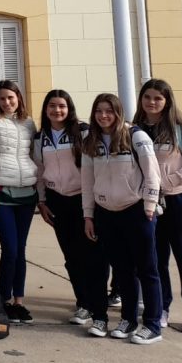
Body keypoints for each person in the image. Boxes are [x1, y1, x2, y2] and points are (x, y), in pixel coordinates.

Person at [82, 93, 163, 345]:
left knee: (147, 270)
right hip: (106, 213)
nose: (104, 116)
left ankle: (152, 324)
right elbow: (87, 182)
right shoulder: (90, 141)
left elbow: (153, 174)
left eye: (109, 111)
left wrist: (149, 205)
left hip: (136, 211)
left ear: (119, 112)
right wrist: (89, 215)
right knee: (123, 270)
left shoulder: (136, 136)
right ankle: (128, 320)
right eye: (99, 111)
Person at [132, 78, 182, 334]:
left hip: (179, 201)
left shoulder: (181, 132)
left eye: (158, 98)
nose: (152, 102)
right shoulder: (135, 131)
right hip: (151, 204)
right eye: (147, 97)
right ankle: (161, 308)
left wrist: (168, 181)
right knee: (156, 260)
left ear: (167, 102)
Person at [33, 89, 107, 333]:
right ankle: (83, 303)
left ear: (69, 108)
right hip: (57, 201)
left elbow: (96, 166)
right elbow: (39, 172)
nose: (57, 110)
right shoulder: (39, 138)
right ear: (46, 109)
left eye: (62, 106)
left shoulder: (84, 132)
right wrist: (42, 201)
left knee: (93, 255)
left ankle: (100, 304)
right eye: (52, 105)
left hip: (84, 200)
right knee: (71, 256)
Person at [0, 80, 39, 324]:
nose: (7, 102)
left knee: (20, 250)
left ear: (19, 98)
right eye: (2, 98)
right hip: (1, 194)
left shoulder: (28, 122)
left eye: (11, 98)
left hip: (26, 193)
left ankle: (19, 302)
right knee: (10, 248)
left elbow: (35, 156)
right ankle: (2, 300)